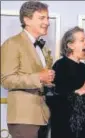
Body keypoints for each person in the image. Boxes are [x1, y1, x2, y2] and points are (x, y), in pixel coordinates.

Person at [1, 1, 54, 138]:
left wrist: (46, 79)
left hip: (41, 115)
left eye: (47, 18)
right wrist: (39, 77)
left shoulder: (39, 47)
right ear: (26, 20)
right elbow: (6, 79)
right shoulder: (13, 43)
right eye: (42, 18)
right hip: (23, 117)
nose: (47, 22)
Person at [48, 26, 85, 138]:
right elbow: (56, 100)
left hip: (82, 125)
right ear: (70, 45)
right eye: (82, 40)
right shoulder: (60, 65)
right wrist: (82, 90)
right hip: (63, 126)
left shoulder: (84, 68)